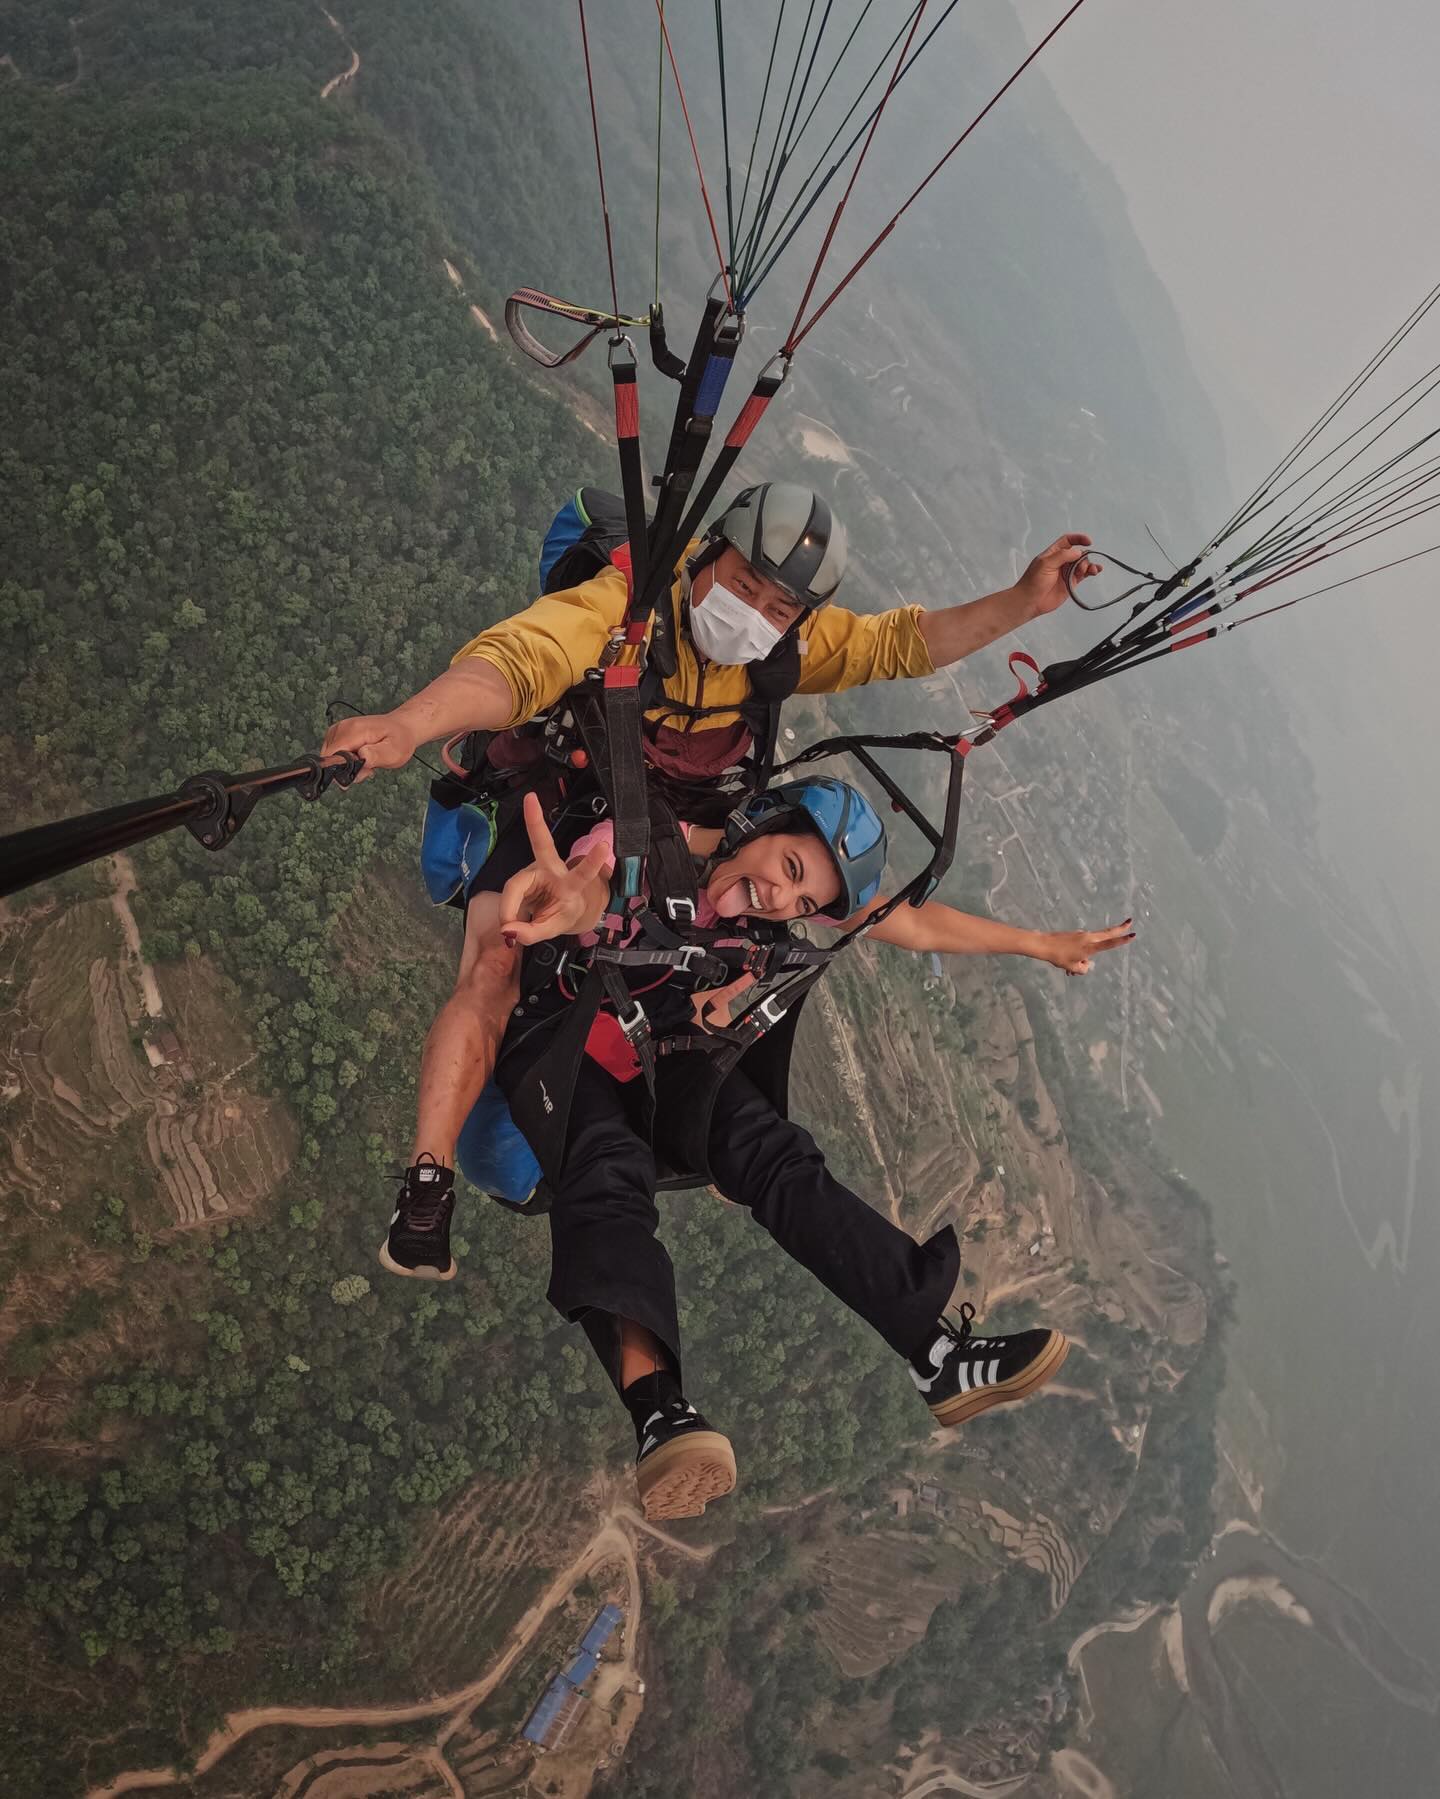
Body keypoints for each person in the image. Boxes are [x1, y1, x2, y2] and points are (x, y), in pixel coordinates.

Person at [324, 483, 1103, 1254]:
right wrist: (407, 724)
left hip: (671, 838)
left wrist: (1023, 604)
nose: (754, 616)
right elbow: (519, 662)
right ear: (710, 553)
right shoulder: (628, 607)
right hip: (564, 802)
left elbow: (903, 645)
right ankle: (425, 1188)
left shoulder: (781, 681)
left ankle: (648, 1148)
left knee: (683, 1010)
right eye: (743, 586)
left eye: (777, 608)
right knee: (493, 966)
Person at [385, 776, 1131, 1521]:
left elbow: (912, 921)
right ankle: (657, 1412)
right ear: (762, 824)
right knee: (607, 1172)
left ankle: (936, 1353)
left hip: (658, 1052)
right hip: (558, 1040)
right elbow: (590, 885)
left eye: (804, 902)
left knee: (775, 1155)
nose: (783, 899)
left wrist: (1038, 944)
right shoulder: (644, 840)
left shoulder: (763, 917)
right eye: (793, 871)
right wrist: (571, 900)